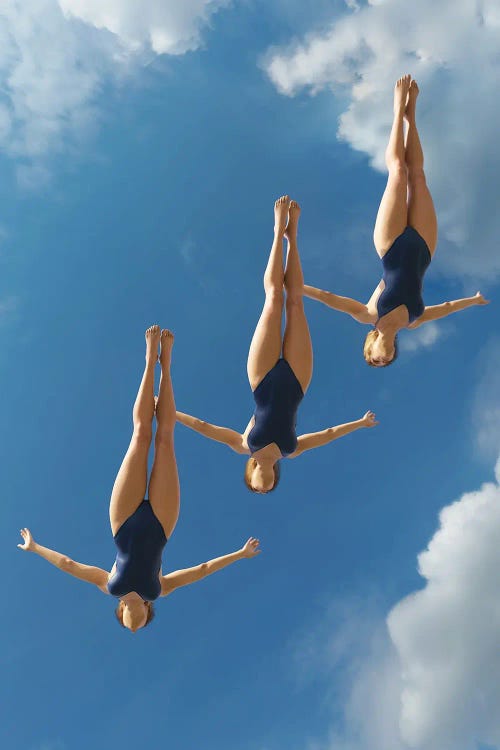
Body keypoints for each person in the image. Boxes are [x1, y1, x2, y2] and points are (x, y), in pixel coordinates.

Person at [18, 326, 261, 632]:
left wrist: (35, 547)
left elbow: (69, 565)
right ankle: (166, 365)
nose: (136, 621)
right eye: (142, 622)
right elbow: (202, 570)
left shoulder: (109, 585)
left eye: (129, 622)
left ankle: (149, 361)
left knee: (141, 436)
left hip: (122, 523)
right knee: (165, 440)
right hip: (162, 524)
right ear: (148, 611)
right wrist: (239, 554)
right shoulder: (160, 588)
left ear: (120, 611)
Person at [177, 197, 378, 494]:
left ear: (250, 476)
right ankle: (292, 236)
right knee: (295, 304)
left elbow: (206, 427)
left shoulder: (243, 445)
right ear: (275, 479)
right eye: (269, 488)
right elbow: (328, 434)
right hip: (298, 381)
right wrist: (360, 423)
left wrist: (172, 412)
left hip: (261, 379)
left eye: (257, 487)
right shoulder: (291, 450)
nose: (265, 486)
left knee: (274, 301)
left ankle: (276, 232)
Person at [303, 76, 489, 367]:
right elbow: (448, 307)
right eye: (388, 360)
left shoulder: (368, 314)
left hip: (390, 246)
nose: (385, 358)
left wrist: (297, 288)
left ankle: (396, 113)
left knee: (399, 173)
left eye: (377, 360)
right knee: (419, 176)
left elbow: (330, 297)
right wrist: (474, 301)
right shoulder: (414, 320)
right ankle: (410, 114)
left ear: (371, 348)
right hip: (424, 248)